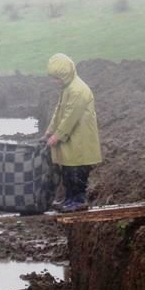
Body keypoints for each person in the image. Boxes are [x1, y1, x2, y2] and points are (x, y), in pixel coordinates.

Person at [44, 53, 102, 213]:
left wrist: (58, 135)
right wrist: (50, 130)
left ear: (65, 74)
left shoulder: (78, 90)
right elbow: (59, 110)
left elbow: (71, 117)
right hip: (72, 141)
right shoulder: (67, 87)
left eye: (56, 78)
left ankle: (79, 200)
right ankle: (69, 199)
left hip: (80, 140)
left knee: (77, 173)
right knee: (68, 172)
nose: (54, 81)